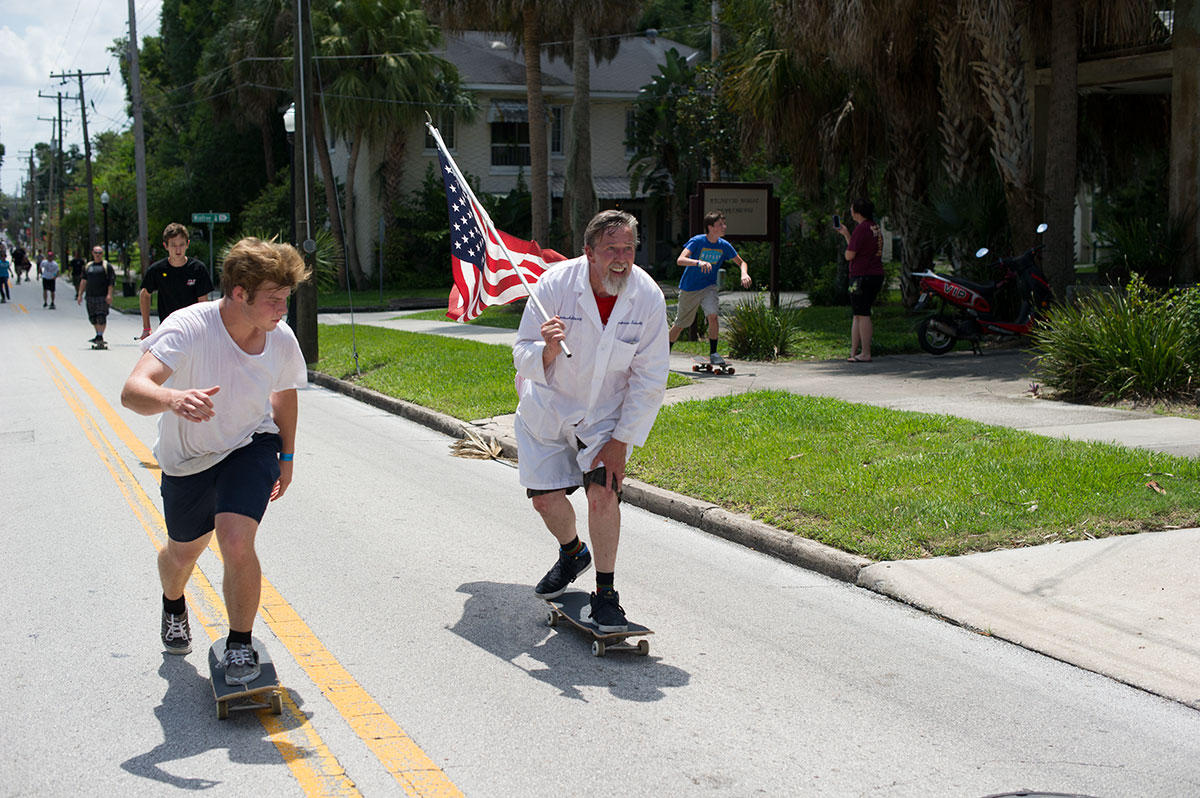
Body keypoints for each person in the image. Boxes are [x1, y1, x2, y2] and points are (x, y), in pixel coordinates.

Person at [120, 238, 309, 684]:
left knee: (235, 538)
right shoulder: (188, 328)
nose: (283, 308)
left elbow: (283, 394)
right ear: (240, 293)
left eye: (286, 298)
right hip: (186, 459)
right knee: (183, 553)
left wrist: (287, 453)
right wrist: (172, 397)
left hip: (250, 444)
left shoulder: (279, 338)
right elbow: (132, 391)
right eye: (274, 300)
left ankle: (240, 645)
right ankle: (173, 604)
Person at [513, 210, 670, 632]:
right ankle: (572, 552)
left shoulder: (648, 297)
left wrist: (622, 440)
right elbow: (521, 351)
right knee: (546, 501)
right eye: (610, 249)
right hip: (550, 407)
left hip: (606, 417)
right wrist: (545, 350)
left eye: (629, 248)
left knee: (604, 494)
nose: (621, 258)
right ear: (588, 253)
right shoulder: (555, 286)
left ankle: (606, 596)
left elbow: (651, 377)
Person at [668, 212, 751, 362]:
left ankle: (713, 353)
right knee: (680, 325)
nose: (724, 227)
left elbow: (741, 262)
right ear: (710, 227)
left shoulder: (724, 246)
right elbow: (680, 260)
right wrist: (698, 262)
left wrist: (744, 273)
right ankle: (663, 353)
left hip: (709, 287)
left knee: (712, 316)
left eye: (724, 224)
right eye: (720, 224)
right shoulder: (698, 241)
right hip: (690, 287)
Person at [139, 223, 214, 340]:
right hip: (167, 329)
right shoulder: (157, 270)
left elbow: (203, 303)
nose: (178, 249)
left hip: (192, 329)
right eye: (173, 245)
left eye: (181, 245)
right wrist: (146, 328)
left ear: (187, 244)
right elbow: (145, 294)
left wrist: (205, 330)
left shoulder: (198, 269)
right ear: (166, 246)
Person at [836, 198, 885, 362]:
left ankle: (865, 352)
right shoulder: (873, 227)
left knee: (862, 313)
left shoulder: (862, 228)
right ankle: (854, 352)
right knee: (858, 313)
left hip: (862, 276)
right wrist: (846, 234)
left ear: (856, 212)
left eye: (851, 209)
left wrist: (849, 244)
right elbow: (858, 248)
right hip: (874, 274)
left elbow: (850, 255)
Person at [76, 246, 116, 345]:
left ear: (102, 254)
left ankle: (100, 335)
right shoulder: (88, 266)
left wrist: (109, 295)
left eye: (100, 253)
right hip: (90, 296)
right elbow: (83, 281)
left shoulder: (106, 266)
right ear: (92, 253)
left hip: (102, 296)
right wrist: (80, 295)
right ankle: (98, 334)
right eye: (96, 252)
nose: (98, 255)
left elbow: (111, 282)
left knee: (101, 316)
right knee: (93, 317)